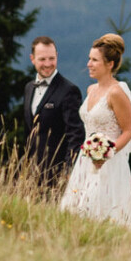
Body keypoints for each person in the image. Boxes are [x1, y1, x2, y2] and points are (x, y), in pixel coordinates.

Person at [59, 33, 131, 232]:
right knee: (76, 211)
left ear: (110, 64)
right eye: (89, 59)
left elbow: (129, 129)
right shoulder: (90, 90)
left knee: (101, 212)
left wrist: (108, 152)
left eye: (95, 60)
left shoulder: (116, 93)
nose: (89, 64)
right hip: (86, 158)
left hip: (108, 162)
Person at [23, 36, 86, 186]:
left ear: (57, 56)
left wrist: (67, 173)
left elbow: (76, 135)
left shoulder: (69, 90)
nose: (47, 64)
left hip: (56, 174)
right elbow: (29, 132)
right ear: (32, 59)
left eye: (51, 58)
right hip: (30, 173)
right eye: (42, 59)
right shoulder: (29, 88)